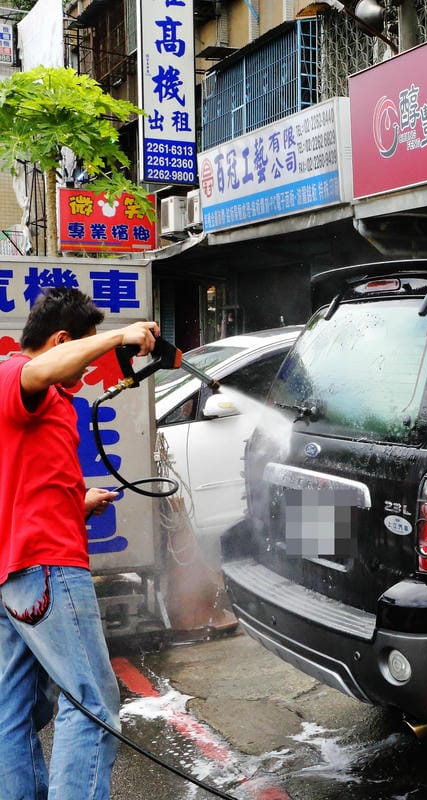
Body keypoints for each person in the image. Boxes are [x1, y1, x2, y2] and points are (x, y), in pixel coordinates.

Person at [0, 287, 158, 800]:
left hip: (16, 571)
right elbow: (39, 370)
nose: (89, 370)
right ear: (63, 340)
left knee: (13, 711)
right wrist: (121, 335)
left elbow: (22, 483)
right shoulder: (14, 376)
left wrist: (77, 500)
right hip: (46, 567)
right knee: (91, 700)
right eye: (86, 353)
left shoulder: (44, 402)